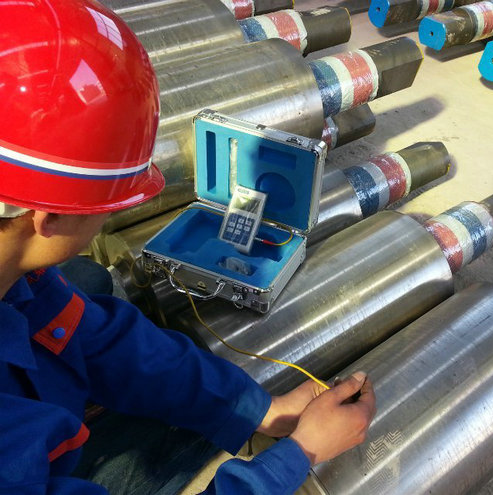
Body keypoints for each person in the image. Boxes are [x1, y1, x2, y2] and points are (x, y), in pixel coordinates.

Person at [0, 1, 376, 493]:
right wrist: (298, 456)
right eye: (110, 205)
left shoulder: (17, 274)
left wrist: (257, 407)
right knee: (175, 442)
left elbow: (90, 333)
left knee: (86, 285)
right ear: (47, 216)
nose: (110, 218)